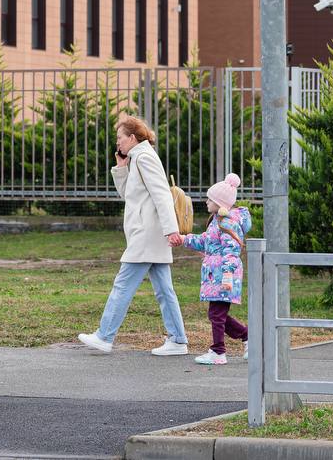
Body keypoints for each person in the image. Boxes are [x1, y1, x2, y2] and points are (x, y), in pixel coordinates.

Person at [77, 114, 189, 356]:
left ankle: (105, 336)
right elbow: (129, 194)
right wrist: (120, 168)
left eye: (120, 138)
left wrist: (172, 229)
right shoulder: (138, 157)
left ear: (132, 137)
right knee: (164, 290)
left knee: (123, 285)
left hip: (147, 233)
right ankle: (178, 340)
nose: (118, 143)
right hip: (149, 232)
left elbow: (161, 194)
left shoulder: (145, 157)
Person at [172, 173, 251, 365]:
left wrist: (227, 274)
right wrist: (184, 239)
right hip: (215, 275)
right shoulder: (216, 221)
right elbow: (205, 241)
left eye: (210, 199)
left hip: (223, 276)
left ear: (220, 202)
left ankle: (218, 351)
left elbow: (232, 251)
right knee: (217, 314)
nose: (207, 202)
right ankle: (250, 338)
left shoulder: (226, 223)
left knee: (216, 315)